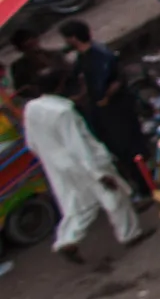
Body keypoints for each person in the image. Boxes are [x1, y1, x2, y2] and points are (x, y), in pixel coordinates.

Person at [20, 68, 147, 262]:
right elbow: (79, 146)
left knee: (78, 205)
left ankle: (67, 240)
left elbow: (32, 143)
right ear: (60, 85)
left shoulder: (31, 109)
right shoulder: (63, 111)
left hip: (58, 166)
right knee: (113, 196)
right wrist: (98, 173)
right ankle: (130, 234)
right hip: (85, 163)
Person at [61, 19, 149, 204]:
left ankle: (145, 187)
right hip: (101, 112)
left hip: (116, 110)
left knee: (129, 148)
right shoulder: (82, 59)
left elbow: (118, 79)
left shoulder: (101, 56)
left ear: (74, 38)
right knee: (117, 150)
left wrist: (106, 96)